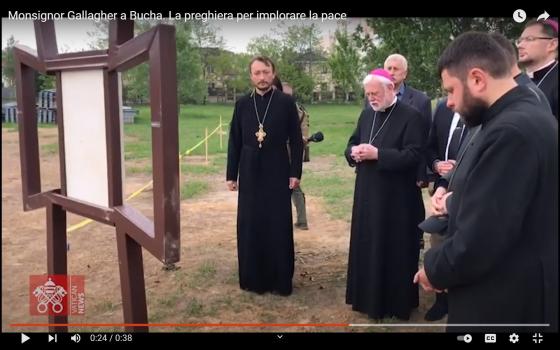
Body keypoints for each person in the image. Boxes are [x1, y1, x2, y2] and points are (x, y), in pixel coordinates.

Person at [415, 32, 558, 332]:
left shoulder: (511, 131)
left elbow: (483, 238)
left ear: (477, 79)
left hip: (506, 300)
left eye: (451, 90)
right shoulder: (514, 116)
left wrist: (434, 269)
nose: (449, 103)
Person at [345, 69, 425, 320]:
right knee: (368, 245)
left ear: (390, 89)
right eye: (368, 94)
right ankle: (367, 299)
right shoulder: (367, 113)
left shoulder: (412, 116)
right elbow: (350, 143)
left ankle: (396, 303)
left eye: (375, 93)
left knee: (394, 248)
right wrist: (354, 152)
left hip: (397, 199)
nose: (371, 98)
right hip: (367, 194)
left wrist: (378, 155)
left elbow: (414, 155)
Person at [226, 56, 303, 296]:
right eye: (257, 73)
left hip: (278, 166)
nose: (262, 77)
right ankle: (253, 278)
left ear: (273, 73)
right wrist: (232, 174)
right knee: (251, 222)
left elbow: (297, 142)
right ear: (251, 76)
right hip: (249, 168)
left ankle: (280, 280)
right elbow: (234, 141)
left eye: (266, 72)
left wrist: (295, 172)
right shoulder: (242, 104)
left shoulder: (286, 102)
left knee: (277, 222)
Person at [282, 82, 310, 230]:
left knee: (293, 185)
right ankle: (301, 220)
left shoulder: (298, 111)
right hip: (284, 150)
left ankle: (302, 220)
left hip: (290, 152)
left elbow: (304, 135)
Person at [517, 18, 558, 118]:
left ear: (552, 45)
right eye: (519, 41)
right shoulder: (514, 81)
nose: (520, 46)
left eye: (529, 39)